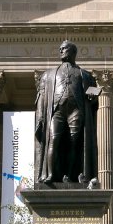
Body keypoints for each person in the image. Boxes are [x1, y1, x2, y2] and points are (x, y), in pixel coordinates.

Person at [35, 40, 98, 184]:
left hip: (76, 110)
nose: (61, 51)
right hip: (56, 110)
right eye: (60, 49)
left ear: (73, 52)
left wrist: (93, 95)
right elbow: (41, 98)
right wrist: (40, 118)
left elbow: (95, 93)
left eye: (64, 48)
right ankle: (50, 175)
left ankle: (70, 175)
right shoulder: (48, 75)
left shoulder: (85, 75)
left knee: (74, 143)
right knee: (53, 140)